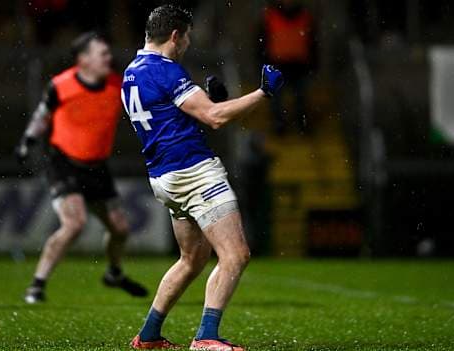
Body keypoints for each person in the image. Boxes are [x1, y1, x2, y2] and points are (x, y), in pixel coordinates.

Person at [121, 5, 284, 350]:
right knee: (235, 254)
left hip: (164, 178)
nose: (189, 43)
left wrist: (213, 102)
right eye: (188, 36)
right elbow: (214, 118)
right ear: (176, 35)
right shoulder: (166, 70)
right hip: (194, 173)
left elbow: (171, 120)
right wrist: (262, 93)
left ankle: (148, 336)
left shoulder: (131, 72)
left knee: (192, 259)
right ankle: (206, 337)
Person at [16, 32, 148, 304]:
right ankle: (37, 285)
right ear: (83, 59)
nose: (108, 58)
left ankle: (113, 273)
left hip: (97, 166)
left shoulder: (118, 84)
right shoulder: (61, 85)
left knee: (120, 229)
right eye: (102, 54)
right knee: (74, 223)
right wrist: (27, 140)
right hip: (63, 162)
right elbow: (43, 114)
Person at [259, 0, 317, 135]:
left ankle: (301, 126)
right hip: (278, 64)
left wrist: (313, 64)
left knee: (301, 99)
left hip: (299, 65)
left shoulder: (305, 16)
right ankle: (279, 127)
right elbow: (262, 42)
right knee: (277, 100)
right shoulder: (270, 16)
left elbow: (313, 42)